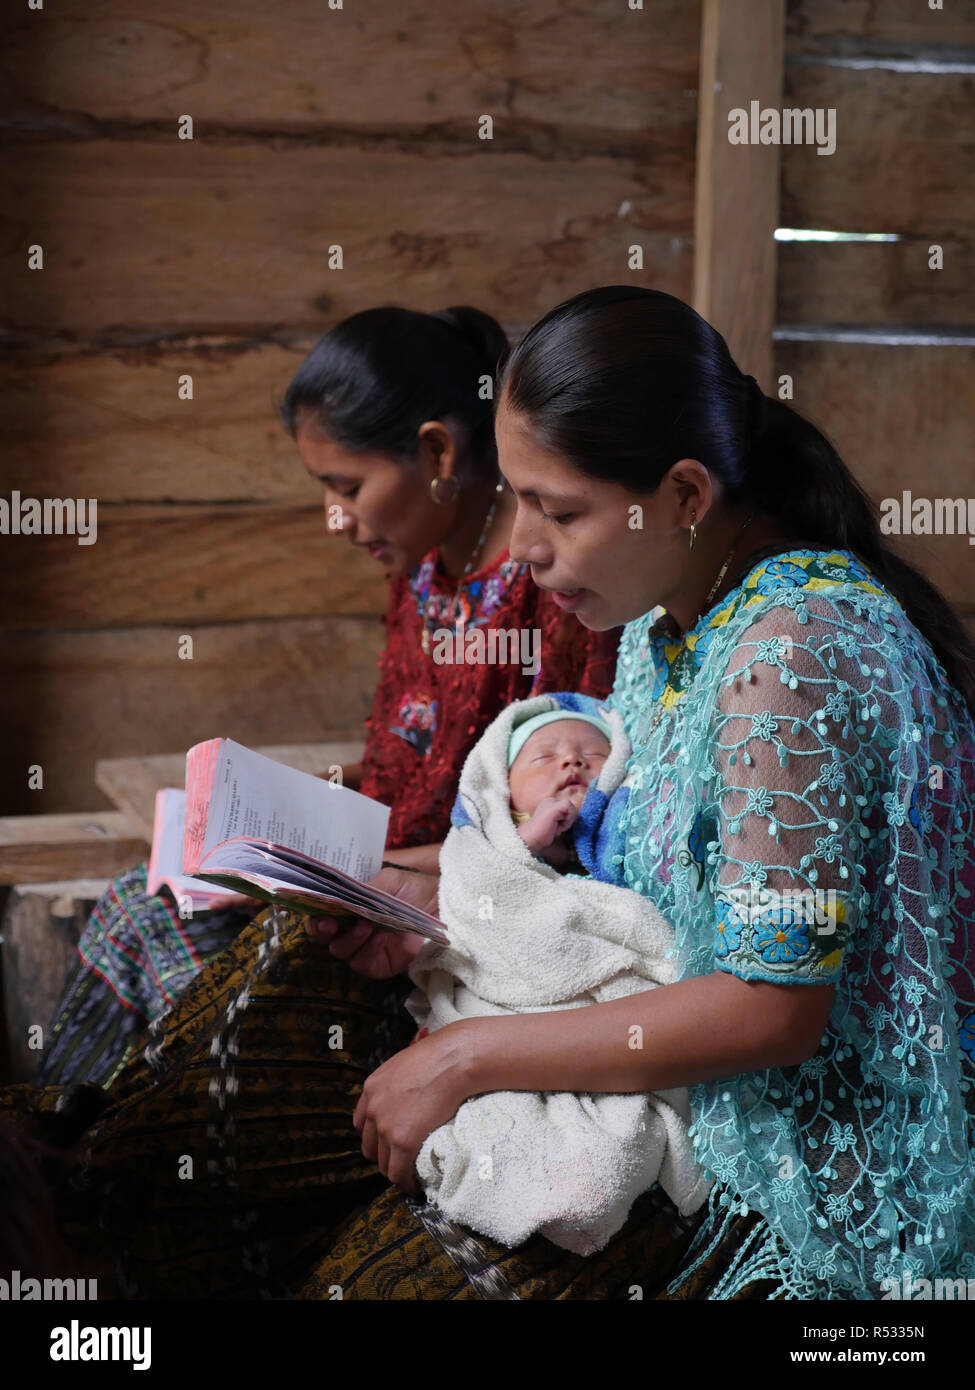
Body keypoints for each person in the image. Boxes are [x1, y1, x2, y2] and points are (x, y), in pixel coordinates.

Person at [9, 283, 975, 1301]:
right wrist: (428, 880)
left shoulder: (789, 660)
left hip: (780, 1151)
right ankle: (76, 1216)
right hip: (648, 1026)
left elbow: (776, 1010)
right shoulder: (665, 621)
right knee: (273, 1009)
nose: (522, 546)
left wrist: (469, 1057)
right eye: (517, 498)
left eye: (559, 509)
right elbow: (624, 852)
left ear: (685, 496)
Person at [36, 304, 619, 1090]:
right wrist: (274, 828)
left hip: (455, 924)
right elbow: (401, 763)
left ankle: (98, 1160)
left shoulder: (554, 587)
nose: (333, 518)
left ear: (436, 450)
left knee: (174, 965)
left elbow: (565, 827)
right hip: (373, 884)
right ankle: (60, 1153)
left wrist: (370, 869)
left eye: (346, 485)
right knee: (134, 905)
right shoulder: (420, 570)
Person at [405, 692, 713, 1256]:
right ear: (500, 783)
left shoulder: (624, 847)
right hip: (505, 992)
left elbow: (640, 925)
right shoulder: (487, 845)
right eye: (544, 758)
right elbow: (488, 891)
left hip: (598, 1023)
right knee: (504, 1116)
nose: (571, 763)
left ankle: (583, 1188)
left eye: (592, 754)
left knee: (611, 1132)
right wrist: (529, 840)